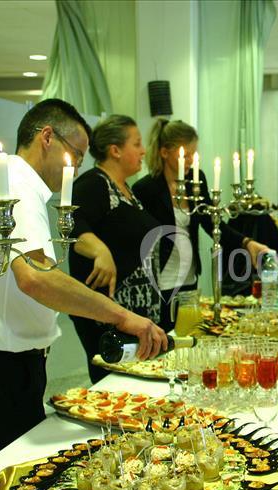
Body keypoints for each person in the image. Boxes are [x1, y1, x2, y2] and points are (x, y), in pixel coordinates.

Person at [0, 99, 168, 455]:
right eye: (77, 154)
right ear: (47, 137)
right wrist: (122, 316)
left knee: (4, 468)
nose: (76, 166)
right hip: (3, 367)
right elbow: (36, 278)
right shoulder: (17, 191)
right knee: (11, 474)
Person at [132, 119, 268, 331]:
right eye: (185, 155)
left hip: (189, 277)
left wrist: (246, 242)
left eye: (193, 155)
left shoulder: (196, 181)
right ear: (164, 152)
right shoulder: (145, 189)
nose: (190, 161)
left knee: (190, 332)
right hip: (160, 280)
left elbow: (212, 222)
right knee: (166, 337)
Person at [69, 115, 162, 383]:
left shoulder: (126, 189)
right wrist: (101, 251)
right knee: (115, 385)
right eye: (137, 143)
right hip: (109, 314)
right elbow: (73, 227)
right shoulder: (93, 184)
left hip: (138, 310)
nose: (143, 150)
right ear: (115, 150)